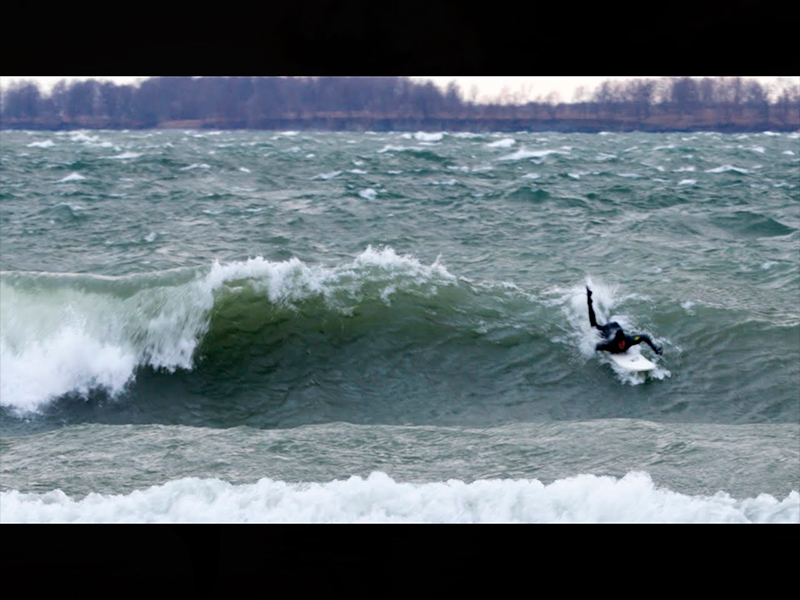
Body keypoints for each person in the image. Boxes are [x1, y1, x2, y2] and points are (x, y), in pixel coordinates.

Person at [586, 286, 662, 355]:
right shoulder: (609, 344)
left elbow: (645, 337)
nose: (622, 344)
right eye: (620, 343)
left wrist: (655, 348)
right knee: (593, 325)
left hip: (616, 326)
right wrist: (598, 355)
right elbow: (598, 346)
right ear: (616, 342)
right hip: (607, 329)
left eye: (623, 342)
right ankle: (589, 300)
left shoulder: (629, 340)